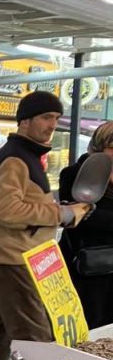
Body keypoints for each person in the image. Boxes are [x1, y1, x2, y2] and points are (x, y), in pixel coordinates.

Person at [0, 91, 92, 360]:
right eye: (46, 117)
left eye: (57, 118)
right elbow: (8, 211)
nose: (52, 124)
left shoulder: (26, 156)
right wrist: (62, 214)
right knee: (35, 338)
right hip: (13, 259)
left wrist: (64, 208)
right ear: (25, 121)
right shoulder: (14, 159)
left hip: (22, 258)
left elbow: (25, 203)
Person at [59, 121, 113, 329]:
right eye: (112, 148)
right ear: (98, 147)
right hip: (89, 266)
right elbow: (79, 218)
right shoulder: (75, 174)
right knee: (92, 325)